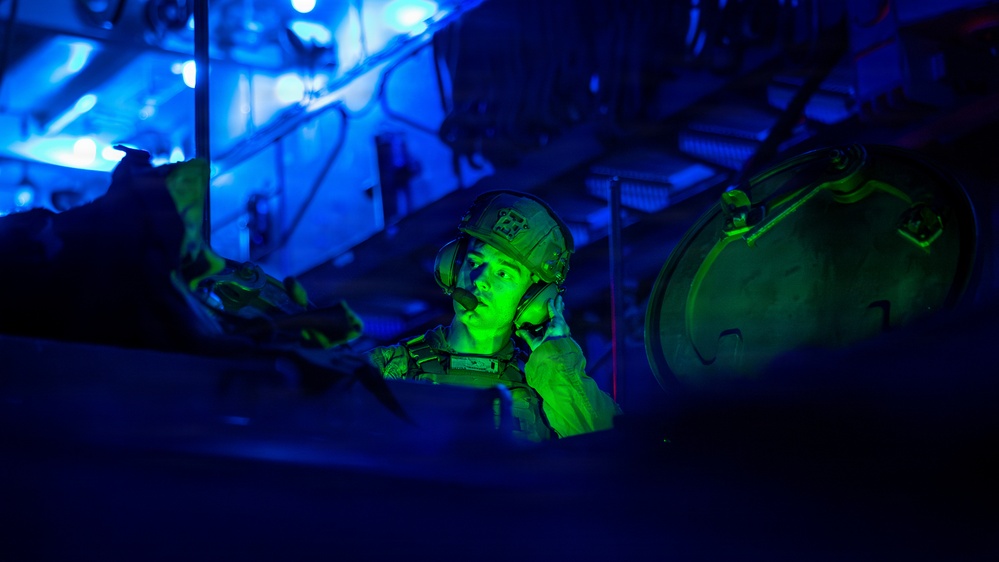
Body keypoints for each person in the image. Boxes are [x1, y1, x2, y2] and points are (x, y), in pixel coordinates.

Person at [366, 190, 621, 441]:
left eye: (503, 274)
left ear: (530, 301)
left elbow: (615, 451)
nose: (480, 281)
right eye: (474, 263)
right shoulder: (387, 368)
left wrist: (555, 360)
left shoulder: (548, 386)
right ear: (452, 268)